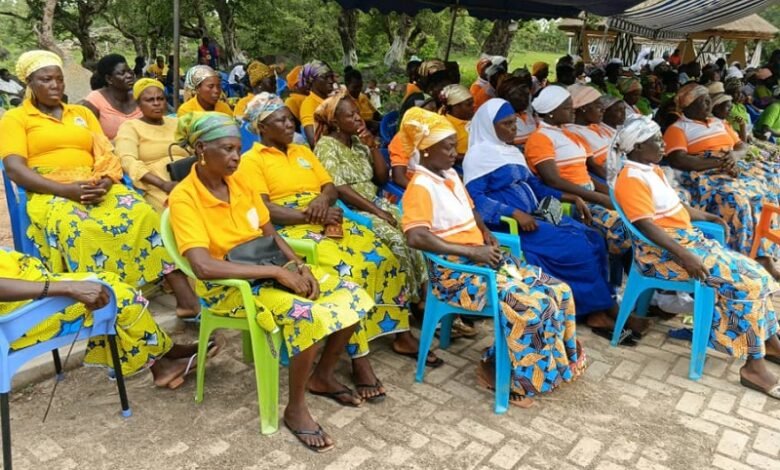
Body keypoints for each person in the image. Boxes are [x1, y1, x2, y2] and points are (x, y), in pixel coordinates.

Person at [168, 112, 372, 452]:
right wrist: (277, 273)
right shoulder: (184, 197)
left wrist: (296, 265)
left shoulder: (241, 182)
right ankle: (295, 409)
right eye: (227, 150)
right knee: (308, 315)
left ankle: (321, 376)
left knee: (352, 294)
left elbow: (269, 234)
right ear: (201, 148)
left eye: (237, 149)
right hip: (230, 287)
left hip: (267, 267)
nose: (236, 157)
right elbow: (203, 267)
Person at [239, 94, 442, 399]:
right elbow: (265, 210)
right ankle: (359, 359)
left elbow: (329, 186)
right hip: (291, 227)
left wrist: (322, 201)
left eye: (288, 117)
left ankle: (397, 331)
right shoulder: (252, 161)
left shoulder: (301, 150)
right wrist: (310, 212)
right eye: (279, 120)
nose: (289, 123)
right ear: (262, 127)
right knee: (352, 272)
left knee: (385, 257)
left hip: (325, 217)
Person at [400, 107, 585, 406]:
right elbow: (415, 236)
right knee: (531, 303)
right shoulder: (420, 187)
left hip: (482, 260)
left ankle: (540, 364)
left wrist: (485, 232)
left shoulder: (448, 175)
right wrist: (472, 250)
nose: (454, 151)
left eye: (453, 144)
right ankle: (505, 375)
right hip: (456, 275)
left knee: (558, 290)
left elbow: (472, 208)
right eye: (447, 146)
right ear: (425, 150)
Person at [0, 50, 200, 320]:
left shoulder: (81, 113)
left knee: (141, 214)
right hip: (51, 189)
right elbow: (15, 169)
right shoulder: (16, 118)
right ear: (29, 83)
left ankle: (185, 299)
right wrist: (65, 190)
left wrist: (106, 182)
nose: (55, 85)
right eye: (46, 80)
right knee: (80, 227)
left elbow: (106, 153)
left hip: (96, 181)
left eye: (59, 79)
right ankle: (106, 306)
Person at [611, 116, 780, 398]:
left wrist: (706, 215)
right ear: (638, 147)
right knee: (746, 282)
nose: (663, 144)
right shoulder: (630, 179)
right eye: (656, 141)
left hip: (685, 243)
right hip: (663, 255)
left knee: (757, 275)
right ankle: (754, 365)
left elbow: (675, 208)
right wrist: (686, 256)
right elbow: (646, 225)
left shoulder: (651, 170)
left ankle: (770, 343)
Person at [463, 98, 619, 331]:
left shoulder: (511, 152)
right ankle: (594, 311)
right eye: (506, 124)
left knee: (593, 237)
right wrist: (513, 212)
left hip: (536, 215)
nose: (513, 128)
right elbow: (476, 200)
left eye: (513, 123)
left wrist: (571, 197)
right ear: (489, 127)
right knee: (577, 246)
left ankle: (603, 302)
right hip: (511, 225)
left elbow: (536, 187)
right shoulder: (477, 156)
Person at [0, 248, 213, 389]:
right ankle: (164, 359)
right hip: (16, 316)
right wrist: (64, 287)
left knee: (108, 281)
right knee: (117, 297)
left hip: (26, 284)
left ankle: (163, 355)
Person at [312, 90, 429, 326]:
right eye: (350, 115)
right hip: (352, 209)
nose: (358, 118)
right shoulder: (326, 146)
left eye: (357, 113)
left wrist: (373, 146)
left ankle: (426, 297)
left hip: (376, 202)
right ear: (335, 121)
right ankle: (410, 304)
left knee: (415, 232)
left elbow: (381, 177)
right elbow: (340, 188)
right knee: (397, 242)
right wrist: (378, 212)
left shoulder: (358, 142)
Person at [663, 83, 780, 277]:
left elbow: (742, 146)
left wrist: (733, 157)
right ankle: (743, 260)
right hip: (705, 172)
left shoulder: (719, 123)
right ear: (689, 106)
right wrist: (718, 163)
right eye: (704, 101)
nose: (710, 104)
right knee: (737, 200)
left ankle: (762, 254)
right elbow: (679, 159)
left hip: (731, 166)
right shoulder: (678, 129)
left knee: (766, 194)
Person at [524, 86, 631, 258]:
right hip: (571, 200)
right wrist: (599, 198)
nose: (572, 110)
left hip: (588, 193)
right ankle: (624, 272)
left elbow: (586, 173)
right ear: (551, 112)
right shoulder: (540, 139)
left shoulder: (569, 134)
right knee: (623, 226)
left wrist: (614, 193)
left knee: (634, 212)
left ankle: (624, 274)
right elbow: (554, 181)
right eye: (567, 108)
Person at [115, 79, 189, 212]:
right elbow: (127, 160)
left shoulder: (177, 123)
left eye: (160, 99)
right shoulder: (130, 127)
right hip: (157, 184)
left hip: (189, 177)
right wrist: (163, 184)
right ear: (138, 104)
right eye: (149, 100)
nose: (156, 103)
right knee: (181, 210)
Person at [81, 54, 143, 140]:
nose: (129, 76)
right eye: (122, 73)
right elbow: (88, 136)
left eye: (129, 71)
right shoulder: (94, 101)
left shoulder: (140, 96)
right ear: (109, 79)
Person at [564, 84, 616, 181]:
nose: (603, 110)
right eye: (598, 106)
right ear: (583, 108)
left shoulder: (595, 126)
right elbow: (593, 167)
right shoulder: (573, 132)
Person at [298, 60, 336, 146]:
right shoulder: (308, 105)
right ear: (312, 80)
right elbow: (313, 141)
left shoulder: (332, 100)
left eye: (331, 76)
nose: (331, 81)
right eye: (325, 77)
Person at [496, 75, 537, 149]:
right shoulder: (503, 119)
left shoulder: (527, 114)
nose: (524, 99)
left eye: (527, 95)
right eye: (519, 95)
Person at [438, 84, 473, 161]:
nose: (473, 106)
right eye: (469, 104)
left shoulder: (469, 117)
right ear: (455, 107)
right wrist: (472, 157)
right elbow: (445, 154)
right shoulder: (445, 126)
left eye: (472, 103)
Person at [344, 67, 381, 132]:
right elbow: (350, 123)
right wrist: (370, 123)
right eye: (355, 87)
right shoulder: (344, 101)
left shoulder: (363, 97)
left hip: (374, 127)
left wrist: (384, 120)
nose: (358, 90)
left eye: (360, 86)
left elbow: (375, 113)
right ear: (347, 85)